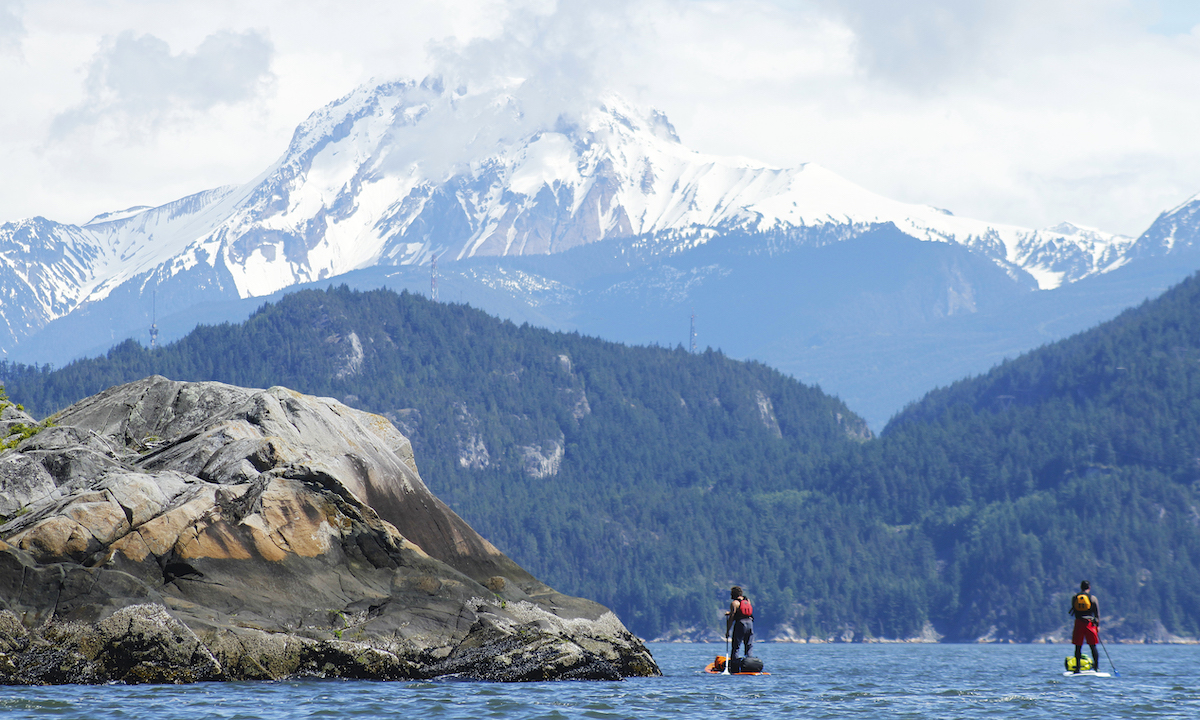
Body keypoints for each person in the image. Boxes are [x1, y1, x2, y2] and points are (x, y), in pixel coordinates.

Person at [1069, 580, 1100, 673]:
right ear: (1089, 587)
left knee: (1078, 647)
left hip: (1079, 623)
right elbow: (1097, 613)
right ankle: (1096, 667)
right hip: (1089, 623)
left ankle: (1077, 668)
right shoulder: (1093, 598)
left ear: (1081, 587)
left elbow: (1074, 610)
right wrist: (1097, 624)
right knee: (1093, 646)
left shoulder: (1075, 597)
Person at [725, 586, 753, 672]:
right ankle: (749, 664)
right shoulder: (747, 601)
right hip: (750, 623)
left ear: (734, 594)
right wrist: (730, 613)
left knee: (736, 646)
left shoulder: (734, 603)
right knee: (748, 645)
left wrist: (728, 630)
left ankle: (734, 667)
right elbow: (743, 612)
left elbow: (732, 617)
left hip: (740, 624)